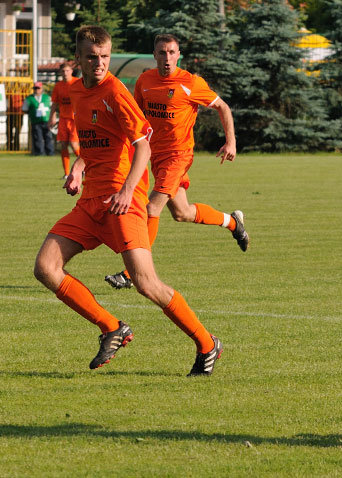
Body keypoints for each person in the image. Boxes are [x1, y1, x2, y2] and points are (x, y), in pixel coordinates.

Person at [33, 25, 223, 376]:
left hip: (124, 202)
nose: (100, 63)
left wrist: (125, 190)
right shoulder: (78, 92)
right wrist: (77, 169)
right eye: (92, 57)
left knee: (146, 284)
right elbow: (93, 144)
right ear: (79, 59)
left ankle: (207, 343)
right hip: (90, 202)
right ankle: (111, 327)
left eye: (104, 57)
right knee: (45, 267)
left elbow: (142, 146)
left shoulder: (116, 92)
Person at [104, 33, 248, 290]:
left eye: (172, 52)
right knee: (182, 213)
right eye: (162, 52)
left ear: (179, 54)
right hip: (156, 156)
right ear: (155, 54)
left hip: (179, 156)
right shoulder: (145, 81)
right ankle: (233, 222)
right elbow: (136, 118)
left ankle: (130, 273)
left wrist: (231, 141)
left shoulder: (190, 82)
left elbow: (223, 107)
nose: (167, 58)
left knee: (151, 208)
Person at [49, 62, 81, 178]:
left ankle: (85, 167)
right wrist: (51, 117)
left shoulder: (77, 83)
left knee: (74, 144)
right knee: (63, 145)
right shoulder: (58, 86)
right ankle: (67, 173)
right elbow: (55, 104)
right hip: (63, 119)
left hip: (75, 119)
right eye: (63, 71)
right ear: (60, 73)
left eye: (67, 70)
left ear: (71, 71)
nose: (65, 73)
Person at [22, 82, 54, 156]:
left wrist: (52, 118)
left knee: (48, 137)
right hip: (35, 121)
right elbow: (24, 109)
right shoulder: (29, 98)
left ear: (41, 89)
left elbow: (53, 107)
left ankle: (50, 152)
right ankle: (39, 152)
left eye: (38, 88)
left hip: (46, 120)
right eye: (35, 88)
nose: (37, 90)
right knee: (37, 137)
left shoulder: (47, 97)